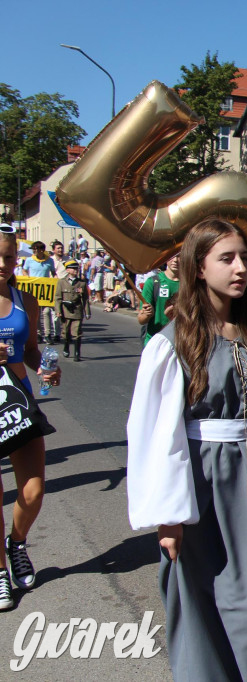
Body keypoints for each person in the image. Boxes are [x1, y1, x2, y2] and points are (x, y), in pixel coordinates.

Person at [126, 218, 247, 679]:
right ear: (198, 268)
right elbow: (156, 433)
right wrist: (167, 514)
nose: (240, 267)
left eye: (244, 257)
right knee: (205, 599)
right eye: (226, 258)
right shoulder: (173, 345)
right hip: (201, 485)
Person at [0, 228, 60, 612]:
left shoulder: (24, 298)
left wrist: (44, 370)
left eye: (8, 258)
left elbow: (32, 349)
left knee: (33, 491)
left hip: (18, 403)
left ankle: (16, 542)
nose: (3, 265)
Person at [137, 253, 180, 347]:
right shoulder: (153, 282)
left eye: (180, 256)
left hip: (180, 343)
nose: (175, 260)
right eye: (172, 256)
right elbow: (141, 320)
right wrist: (147, 314)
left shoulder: (190, 284)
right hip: (154, 342)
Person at [53, 260, 90, 361]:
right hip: (65, 311)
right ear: (68, 270)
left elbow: (85, 299)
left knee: (77, 332)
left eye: (76, 268)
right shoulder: (61, 282)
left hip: (77, 310)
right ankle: (66, 346)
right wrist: (58, 310)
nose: (75, 270)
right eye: (73, 268)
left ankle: (77, 353)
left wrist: (87, 312)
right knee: (65, 332)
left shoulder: (81, 283)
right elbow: (58, 298)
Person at [23, 242, 57, 344]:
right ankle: (38, 333)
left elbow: (53, 273)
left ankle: (47, 334)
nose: (34, 251)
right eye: (33, 249)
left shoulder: (49, 261)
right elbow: (24, 270)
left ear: (41, 250)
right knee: (36, 313)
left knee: (46, 312)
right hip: (34, 289)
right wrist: (26, 278)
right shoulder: (29, 260)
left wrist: (56, 281)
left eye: (35, 249)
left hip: (45, 290)